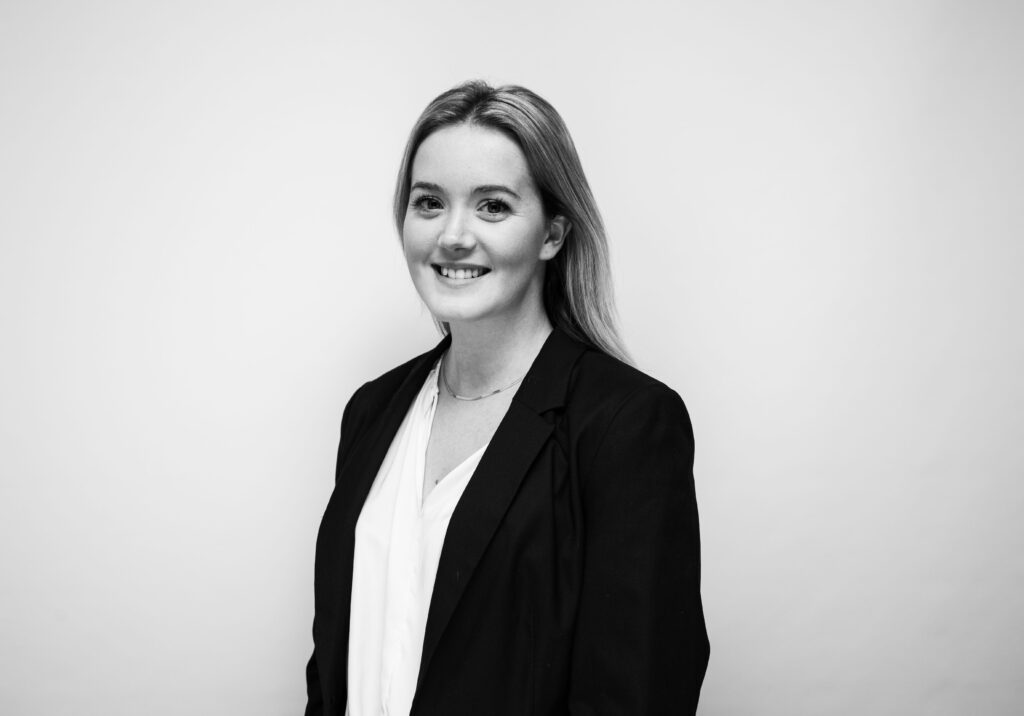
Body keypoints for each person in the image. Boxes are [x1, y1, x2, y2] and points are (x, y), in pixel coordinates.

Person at [304, 80, 709, 716]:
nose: (452, 235)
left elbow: (639, 691)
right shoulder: (372, 411)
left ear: (552, 234)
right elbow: (335, 667)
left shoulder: (626, 425)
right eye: (429, 202)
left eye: (492, 206)